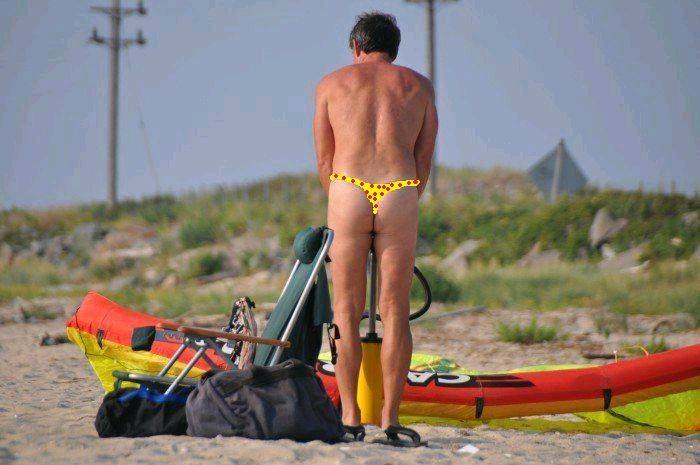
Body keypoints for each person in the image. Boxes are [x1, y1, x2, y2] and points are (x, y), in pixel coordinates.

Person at [313, 11, 438, 447]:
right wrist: (406, 198)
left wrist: (340, 198)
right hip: (399, 188)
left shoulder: (331, 84)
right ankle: (390, 418)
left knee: (346, 312)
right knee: (396, 311)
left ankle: (350, 416)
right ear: (394, 50)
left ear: (356, 47)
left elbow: (325, 159)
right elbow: (424, 159)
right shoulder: (419, 86)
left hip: (348, 187)